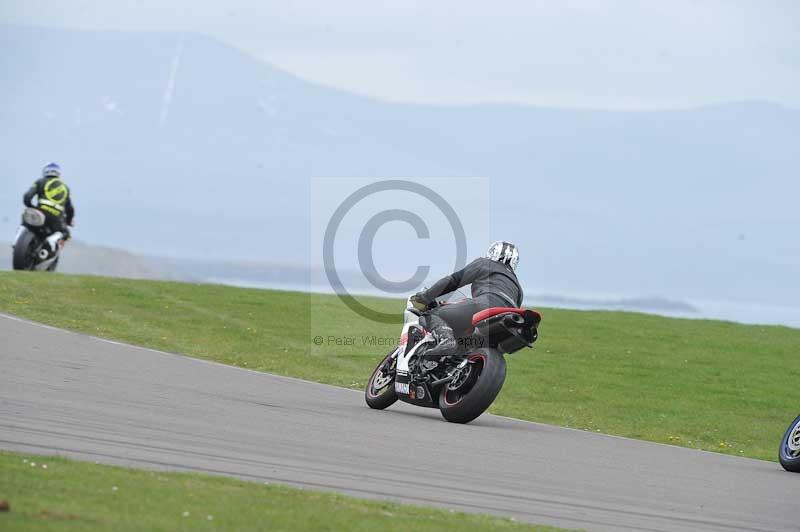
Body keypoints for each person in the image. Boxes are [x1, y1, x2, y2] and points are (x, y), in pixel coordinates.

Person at [410, 240, 523, 360]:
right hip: (508, 320)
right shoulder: (518, 287)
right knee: (467, 344)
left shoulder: (485, 263)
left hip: (485, 306)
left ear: (492, 253)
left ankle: (446, 340)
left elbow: (453, 281)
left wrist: (426, 296)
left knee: (431, 315)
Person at [23, 163, 75, 252]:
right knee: (65, 233)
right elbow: (70, 209)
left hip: (40, 213)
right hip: (56, 218)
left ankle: (16, 241)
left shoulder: (40, 181)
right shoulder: (65, 188)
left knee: (25, 222)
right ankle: (52, 240)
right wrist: (69, 222)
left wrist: (32, 207)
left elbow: (27, 197)